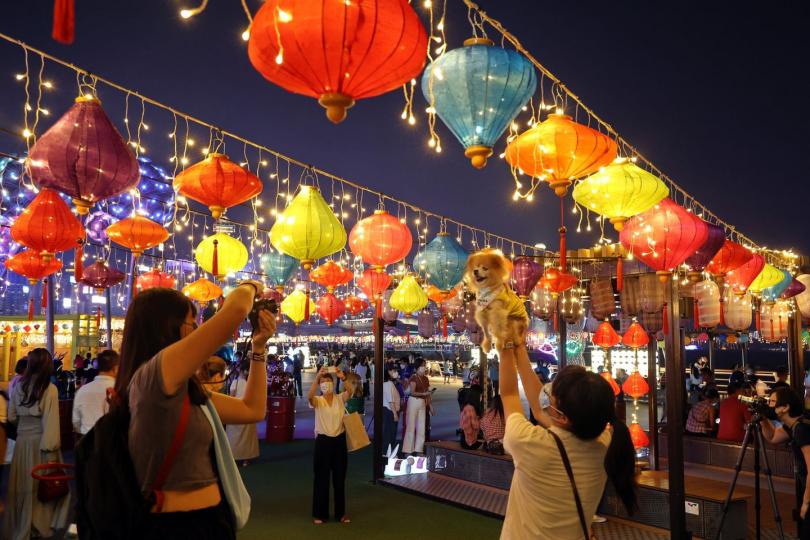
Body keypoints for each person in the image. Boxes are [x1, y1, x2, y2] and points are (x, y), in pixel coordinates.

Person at [113, 282, 275, 538]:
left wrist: (258, 348)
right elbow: (233, 313)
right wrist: (251, 285)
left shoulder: (181, 388)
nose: (197, 331)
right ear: (165, 327)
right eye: (192, 324)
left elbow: (251, 410)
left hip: (210, 519)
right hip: (175, 526)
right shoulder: (153, 377)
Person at [498, 342, 637, 540]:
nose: (547, 395)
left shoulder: (531, 443)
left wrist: (505, 341)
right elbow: (539, 409)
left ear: (563, 417)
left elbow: (511, 395)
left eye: (552, 397)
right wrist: (519, 348)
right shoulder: (605, 442)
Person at [3, 348, 70, 540]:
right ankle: (38, 525)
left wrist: (24, 429)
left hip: (22, 443)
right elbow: (51, 422)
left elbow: (12, 417)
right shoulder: (49, 389)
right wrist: (51, 448)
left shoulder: (18, 387)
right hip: (42, 442)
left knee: (22, 487)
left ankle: (21, 525)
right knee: (42, 487)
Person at [759, 387, 810, 538]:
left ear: (785, 407)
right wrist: (763, 418)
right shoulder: (794, 425)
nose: (769, 405)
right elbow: (773, 437)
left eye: (773, 402)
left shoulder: (802, 429)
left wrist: (806, 502)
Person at [309, 367, 351, 525]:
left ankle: (341, 513)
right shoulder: (318, 401)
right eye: (323, 382)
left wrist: (343, 377)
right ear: (320, 385)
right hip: (323, 442)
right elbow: (309, 396)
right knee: (321, 478)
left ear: (333, 383)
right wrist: (316, 377)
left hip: (339, 441)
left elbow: (351, 391)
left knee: (339, 479)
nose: (325, 384)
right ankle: (320, 513)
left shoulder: (340, 398)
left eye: (328, 381)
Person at [72, 350, 119, 438]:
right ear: (115, 368)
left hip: (86, 441)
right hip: (112, 443)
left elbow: (76, 423)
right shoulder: (119, 390)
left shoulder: (82, 391)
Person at [226, 359, 260, 467]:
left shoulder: (235, 382)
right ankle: (246, 459)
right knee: (247, 437)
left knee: (233, 437)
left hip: (235, 412)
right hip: (247, 412)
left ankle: (234, 457)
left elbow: (231, 397)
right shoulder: (250, 384)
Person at [402, 359, 432, 455]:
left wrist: (430, 406)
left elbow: (428, 393)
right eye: (423, 365)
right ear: (417, 367)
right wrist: (424, 393)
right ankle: (408, 450)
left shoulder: (426, 378)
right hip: (413, 402)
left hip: (422, 403)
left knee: (421, 427)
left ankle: (419, 449)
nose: (424, 367)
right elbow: (412, 392)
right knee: (410, 426)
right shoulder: (413, 378)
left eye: (425, 365)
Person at [382, 367, 401, 456]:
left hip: (390, 410)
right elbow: (390, 400)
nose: (395, 372)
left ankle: (388, 452)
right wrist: (395, 414)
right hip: (390, 411)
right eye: (393, 371)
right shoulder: (388, 384)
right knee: (389, 433)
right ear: (388, 372)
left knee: (390, 433)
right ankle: (387, 453)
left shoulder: (389, 383)